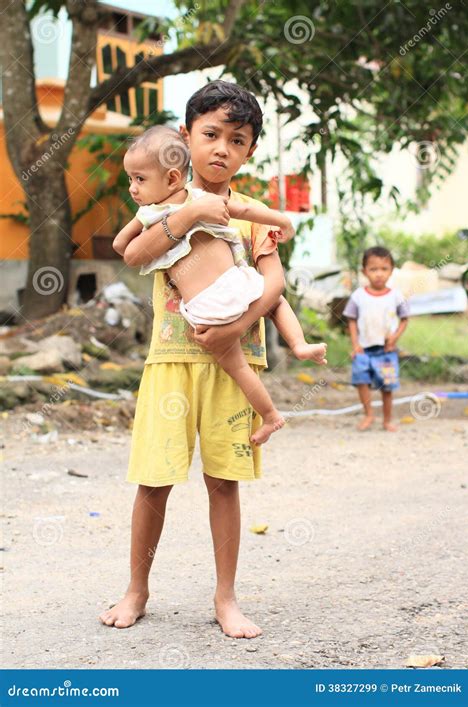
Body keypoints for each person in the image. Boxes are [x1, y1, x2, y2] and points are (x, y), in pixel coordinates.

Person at [99, 80, 324, 638]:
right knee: (153, 481)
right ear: (186, 138)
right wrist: (191, 211)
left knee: (225, 482)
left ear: (250, 151)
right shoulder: (160, 200)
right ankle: (136, 590)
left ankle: (226, 599)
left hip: (233, 361)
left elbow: (274, 283)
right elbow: (134, 255)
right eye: (211, 134)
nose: (222, 148)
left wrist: (238, 326)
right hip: (171, 362)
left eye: (238, 140)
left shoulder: (247, 216)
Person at [113, 124, 326, 444]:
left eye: (139, 179)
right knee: (274, 303)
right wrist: (280, 219)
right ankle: (297, 347)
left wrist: (142, 221)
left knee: (237, 368)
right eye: (131, 179)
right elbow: (242, 209)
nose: (132, 188)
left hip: (204, 309)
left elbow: (120, 245)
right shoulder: (186, 204)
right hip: (237, 284)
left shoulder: (150, 214)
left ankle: (271, 414)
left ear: (172, 178)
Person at [343, 246, 409, 432]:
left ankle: (387, 419)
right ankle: (368, 414)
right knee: (361, 381)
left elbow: (404, 319)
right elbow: (352, 321)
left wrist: (395, 338)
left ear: (391, 271)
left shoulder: (396, 296)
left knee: (387, 386)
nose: (379, 274)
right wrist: (355, 344)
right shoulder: (358, 296)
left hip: (386, 351)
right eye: (373, 269)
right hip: (363, 350)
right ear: (364, 272)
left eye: (384, 269)